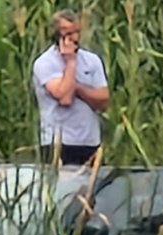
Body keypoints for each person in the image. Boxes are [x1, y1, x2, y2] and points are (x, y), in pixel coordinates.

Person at [32, 11, 111, 166]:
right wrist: (71, 62)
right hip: (58, 143)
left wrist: (77, 88)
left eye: (77, 32)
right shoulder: (44, 63)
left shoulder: (92, 61)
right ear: (57, 36)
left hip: (89, 142)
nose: (74, 38)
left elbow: (103, 100)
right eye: (68, 34)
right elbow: (65, 97)